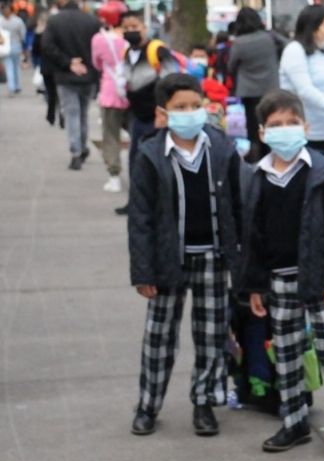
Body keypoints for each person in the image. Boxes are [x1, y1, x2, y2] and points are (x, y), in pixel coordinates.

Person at [127, 73, 243, 437]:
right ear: (163, 113)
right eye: (180, 108)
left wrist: (239, 259)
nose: (190, 113)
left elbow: (238, 205)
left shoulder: (222, 148)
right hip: (167, 261)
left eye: (196, 106)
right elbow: (140, 218)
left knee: (210, 334)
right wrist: (143, 271)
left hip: (212, 256)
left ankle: (204, 401)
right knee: (159, 336)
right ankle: (148, 404)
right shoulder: (150, 154)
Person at [241, 89, 324, 455]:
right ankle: (293, 420)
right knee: (286, 353)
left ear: (305, 127)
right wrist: (255, 284)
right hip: (277, 281)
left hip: (320, 281)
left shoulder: (322, 172)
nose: (285, 130)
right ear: (262, 133)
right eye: (276, 125)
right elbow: (252, 236)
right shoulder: (256, 177)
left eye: (292, 123)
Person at [116, 10, 179, 216]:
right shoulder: (127, 53)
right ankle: (136, 202)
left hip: (157, 117)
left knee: (158, 160)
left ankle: (161, 203)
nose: (130, 31)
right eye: (126, 28)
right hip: (138, 116)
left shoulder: (157, 49)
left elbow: (173, 78)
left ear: (144, 28)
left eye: (135, 27)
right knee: (135, 160)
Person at [279, 5, 324, 162]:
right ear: (313, 28)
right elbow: (305, 90)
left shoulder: (321, 53)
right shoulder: (295, 51)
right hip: (306, 140)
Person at [41, 0, 100, 170]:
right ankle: (82, 147)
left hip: (65, 75)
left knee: (71, 114)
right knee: (83, 113)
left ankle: (76, 151)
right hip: (88, 74)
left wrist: (67, 63)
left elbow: (47, 46)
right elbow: (97, 48)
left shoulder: (54, 21)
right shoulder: (92, 21)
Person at [228, 7, 280, 163]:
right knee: (270, 119)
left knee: (252, 122)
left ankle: (255, 151)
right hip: (271, 87)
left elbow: (231, 66)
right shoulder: (269, 37)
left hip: (249, 90)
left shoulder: (238, 43)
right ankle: (272, 150)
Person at [91, 0, 129, 194]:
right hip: (133, 93)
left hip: (109, 93)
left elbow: (97, 64)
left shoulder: (99, 39)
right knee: (139, 135)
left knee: (111, 136)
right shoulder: (131, 38)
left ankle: (114, 176)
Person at [1, 1, 26, 96]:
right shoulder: (18, 21)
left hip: (5, 47)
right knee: (16, 67)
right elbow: (23, 34)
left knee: (9, 67)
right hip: (16, 45)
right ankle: (17, 86)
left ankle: (11, 87)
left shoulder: (0, 21)